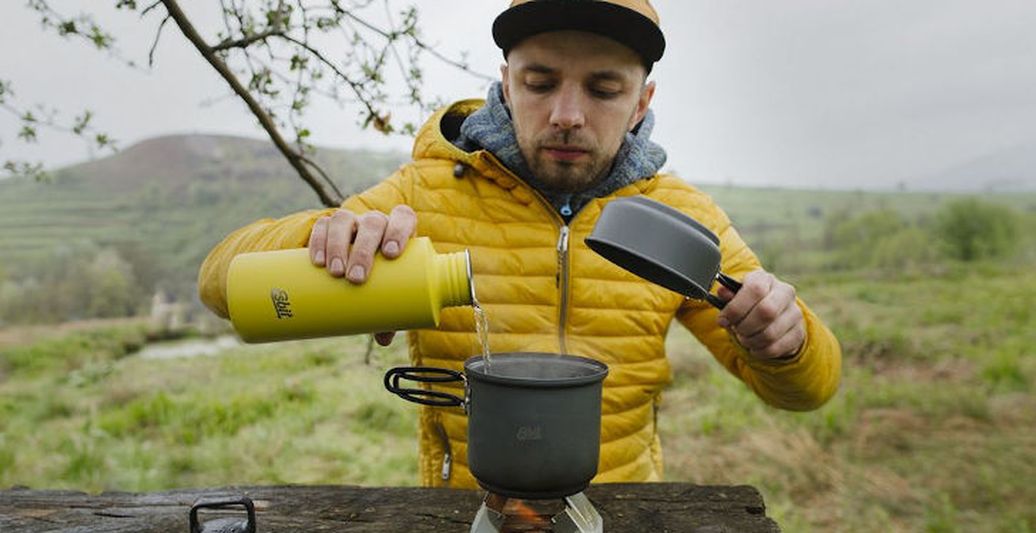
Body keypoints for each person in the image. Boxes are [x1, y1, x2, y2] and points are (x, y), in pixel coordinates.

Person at [198, 0, 841, 489]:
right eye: (540, 83)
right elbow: (220, 284)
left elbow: (808, 391)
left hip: (621, 513)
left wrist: (786, 339)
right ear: (506, 83)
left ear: (642, 101)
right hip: (463, 514)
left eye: (603, 88)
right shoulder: (423, 195)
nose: (567, 113)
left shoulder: (676, 217)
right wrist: (323, 235)